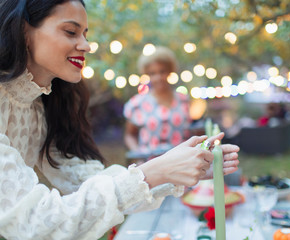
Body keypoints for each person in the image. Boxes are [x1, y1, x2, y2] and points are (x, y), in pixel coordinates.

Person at [0, 1, 240, 239]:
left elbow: (89, 181)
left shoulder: (44, 103)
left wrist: (173, 171)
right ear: (23, 29)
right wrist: (156, 170)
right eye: (71, 32)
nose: (86, 46)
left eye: (85, 34)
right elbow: (35, 222)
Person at [123, 46, 191, 160]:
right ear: (147, 74)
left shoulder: (183, 100)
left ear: (170, 71)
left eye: (162, 71)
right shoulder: (137, 103)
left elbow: (190, 132)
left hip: (180, 162)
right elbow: (129, 135)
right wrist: (137, 153)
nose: (158, 77)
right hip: (150, 164)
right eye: (153, 73)